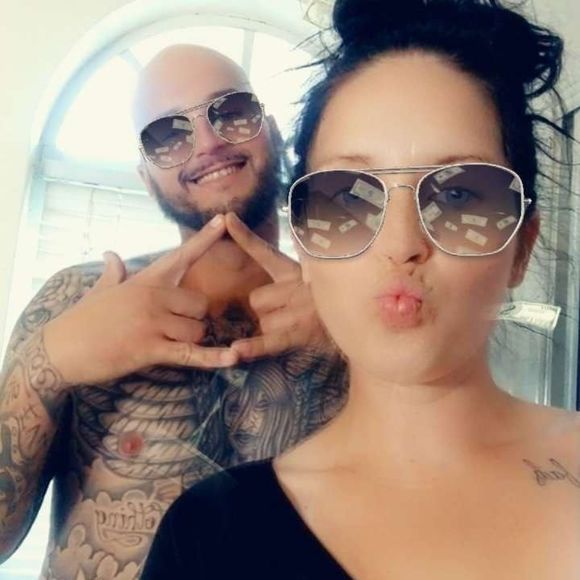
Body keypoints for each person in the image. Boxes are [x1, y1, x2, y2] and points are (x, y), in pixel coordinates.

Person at [141, 1, 580, 578]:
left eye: (458, 194)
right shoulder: (207, 537)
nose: (401, 244)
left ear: (522, 244)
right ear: (304, 244)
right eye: (350, 196)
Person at [0, 45, 347, 579]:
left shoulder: (354, 315)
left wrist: (358, 342)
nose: (207, 143)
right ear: (145, 177)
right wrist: (45, 363)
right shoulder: (76, 301)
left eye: (231, 111)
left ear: (272, 133)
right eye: (167, 134)